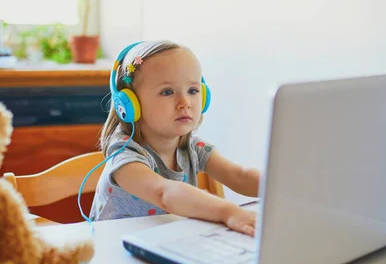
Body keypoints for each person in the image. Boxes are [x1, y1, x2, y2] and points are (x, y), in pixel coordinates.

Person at [88, 40, 260, 236]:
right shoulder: (125, 155)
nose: (185, 102)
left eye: (193, 90)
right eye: (167, 92)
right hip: (115, 250)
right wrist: (229, 212)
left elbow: (240, 176)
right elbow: (165, 193)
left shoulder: (193, 147)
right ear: (130, 104)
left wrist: (288, 189)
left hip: (166, 242)